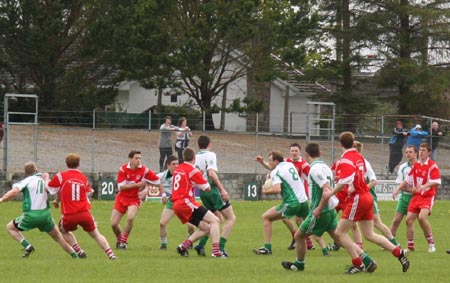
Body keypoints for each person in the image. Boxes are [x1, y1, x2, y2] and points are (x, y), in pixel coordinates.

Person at [330, 131, 409, 274]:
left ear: (340, 144)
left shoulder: (346, 159)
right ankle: (398, 252)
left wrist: (331, 192)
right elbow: (357, 176)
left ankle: (358, 264)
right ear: (353, 143)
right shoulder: (359, 157)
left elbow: (345, 182)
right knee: (370, 234)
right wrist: (342, 179)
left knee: (340, 233)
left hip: (357, 197)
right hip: (367, 196)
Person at [0, 162, 78, 258]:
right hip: (46, 215)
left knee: (10, 227)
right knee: (58, 237)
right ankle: (75, 255)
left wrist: (2, 199)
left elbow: (14, 191)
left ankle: (27, 246)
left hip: (31, 216)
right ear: (36, 170)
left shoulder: (26, 181)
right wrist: (58, 201)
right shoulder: (44, 180)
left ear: (25, 173)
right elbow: (58, 189)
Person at [281, 143, 339, 271]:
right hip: (330, 210)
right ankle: (364, 259)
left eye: (296, 151)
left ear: (306, 154)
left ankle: (299, 264)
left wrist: (318, 208)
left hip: (320, 211)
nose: (294, 153)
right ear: (320, 153)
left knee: (299, 236)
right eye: (292, 151)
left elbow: (326, 189)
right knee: (341, 238)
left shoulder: (313, 169)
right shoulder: (326, 167)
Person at [46, 154, 117, 259]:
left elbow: (50, 188)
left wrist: (46, 179)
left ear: (66, 164)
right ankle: (111, 254)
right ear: (79, 164)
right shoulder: (83, 178)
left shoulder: (61, 176)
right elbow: (89, 192)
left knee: (62, 231)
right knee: (96, 234)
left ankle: (78, 250)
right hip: (84, 213)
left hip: (69, 215)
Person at [255, 143, 315, 251]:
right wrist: (263, 162)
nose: (269, 162)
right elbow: (272, 168)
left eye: (270, 160)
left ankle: (267, 248)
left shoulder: (276, 172)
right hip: (304, 201)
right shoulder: (289, 164)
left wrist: (265, 190)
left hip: (292, 203)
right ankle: (322, 245)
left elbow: (277, 189)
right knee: (307, 223)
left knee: (266, 217)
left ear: (276, 161)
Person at [172, 147, 224, 258]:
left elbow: (187, 182)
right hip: (186, 202)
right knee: (215, 220)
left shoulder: (178, 169)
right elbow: (207, 187)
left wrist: (195, 181)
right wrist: (200, 176)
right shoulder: (192, 170)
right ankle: (216, 252)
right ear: (194, 158)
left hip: (176, 205)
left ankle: (183, 246)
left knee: (206, 228)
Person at [194, 135, 236, 257]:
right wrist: (222, 190)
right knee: (231, 218)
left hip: (202, 192)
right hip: (212, 191)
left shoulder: (196, 157)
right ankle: (221, 248)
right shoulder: (211, 155)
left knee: (216, 220)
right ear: (209, 144)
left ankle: (200, 245)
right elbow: (211, 173)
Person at [111, 150, 160, 249]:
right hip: (122, 197)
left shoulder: (144, 170)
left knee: (130, 217)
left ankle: (123, 241)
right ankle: (119, 239)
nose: (139, 161)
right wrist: (138, 185)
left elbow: (157, 180)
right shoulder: (123, 169)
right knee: (114, 224)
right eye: (136, 158)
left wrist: (146, 189)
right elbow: (122, 187)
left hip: (134, 198)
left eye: (140, 158)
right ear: (130, 159)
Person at [397, 143, 441, 253]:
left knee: (422, 218)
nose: (421, 152)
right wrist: (398, 189)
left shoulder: (432, 166)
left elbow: (436, 181)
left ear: (429, 153)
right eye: (420, 150)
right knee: (408, 220)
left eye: (423, 150)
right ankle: (410, 247)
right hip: (417, 197)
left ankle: (431, 244)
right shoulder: (416, 165)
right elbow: (407, 180)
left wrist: (424, 186)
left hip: (428, 196)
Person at [354, 141, 399, 247]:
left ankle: (395, 244)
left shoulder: (364, 163)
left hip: (368, 198)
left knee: (377, 223)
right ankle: (343, 242)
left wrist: (363, 190)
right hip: (358, 198)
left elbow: (374, 181)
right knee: (350, 221)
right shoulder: (354, 162)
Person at [158, 155, 195, 250]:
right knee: (162, 223)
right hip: (172, 202)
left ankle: (189, 240)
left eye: (177, 164)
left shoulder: (183, 174)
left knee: (191, 226)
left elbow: (192, 186)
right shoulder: (162, 175)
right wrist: (163, 195)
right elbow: (155, 180)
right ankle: (163, 245)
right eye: (173, 164)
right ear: (168, 165)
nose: (176, 166)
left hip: (183, 201)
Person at [391, 145, 417, 250]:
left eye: (410, 152)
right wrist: (411, 190)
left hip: (416, 198)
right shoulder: (403, 167)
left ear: (416, 153)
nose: (408, 154)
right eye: (406, 152)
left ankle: (412, 245)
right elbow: (400, 184)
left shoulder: (421, 166)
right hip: (404, 197)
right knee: (396, 220)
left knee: (411, 221)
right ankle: (390, 242)